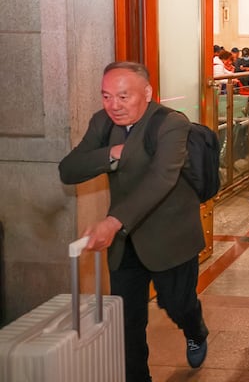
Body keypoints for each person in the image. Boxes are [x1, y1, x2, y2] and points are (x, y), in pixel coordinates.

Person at [58, 62, 209, 381]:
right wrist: (111, 153)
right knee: (127, 324)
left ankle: (195, 329)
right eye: (106, 96)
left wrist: (111, 223)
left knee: (177, 305)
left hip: (171, 238)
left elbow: (160, 179)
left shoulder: (171, 124)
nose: (114, 105)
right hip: (126, 242)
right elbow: (68, 169)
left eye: (123, 97)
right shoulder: (102, 123)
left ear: (148, 93)